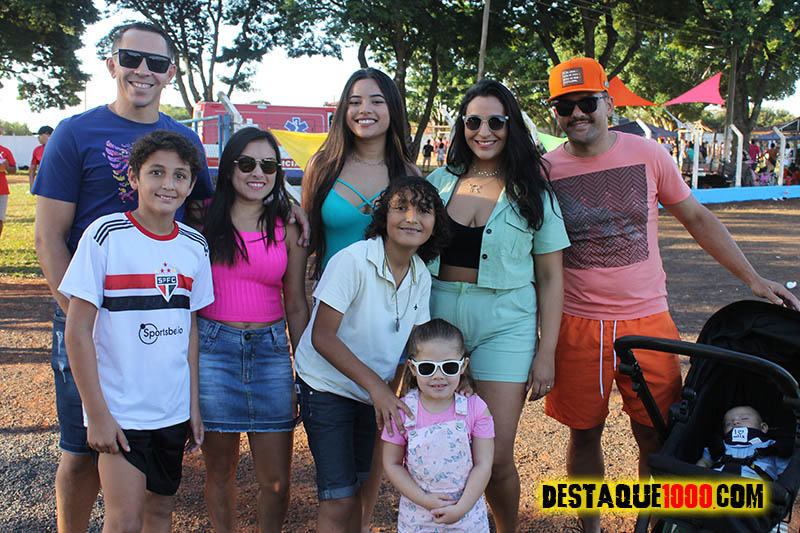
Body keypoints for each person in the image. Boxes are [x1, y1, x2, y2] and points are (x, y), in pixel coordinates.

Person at [542, 56, 799, 533]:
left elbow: (696, 217)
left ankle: (653, 526)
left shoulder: (649, 154)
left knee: (658, 438)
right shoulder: (544, 170)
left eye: (586, 102)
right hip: (577, 323)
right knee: (583, 435)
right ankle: (590, 529)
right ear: (554, 112)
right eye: (564, 106)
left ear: (608, 103)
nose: (576, 114)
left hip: (647, 321)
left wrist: (753, 278)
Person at [31, 22, 216, 532]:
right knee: (81, 450)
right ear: (112, 64)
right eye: (132, 58)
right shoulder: (75, 133)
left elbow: (206, 217)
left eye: (157, 63)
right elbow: (49, 237)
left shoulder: (184, 140)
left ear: (171, 73)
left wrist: (285, 213)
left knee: (152, 489)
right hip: (89, 311)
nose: (143, 71)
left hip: (154, 313)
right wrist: (91, 323)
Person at [426, 79, 569, 533]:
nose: (483, 131)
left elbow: (551, 277)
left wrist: (547, 351)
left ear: (512, 126)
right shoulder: (437, 183)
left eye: (495, 121)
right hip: (439, 324)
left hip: (507, 325)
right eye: (473, 121)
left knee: (496, 453)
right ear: (461, 126)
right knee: (443, 446)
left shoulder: (535, 192)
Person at [60, 130, 212, 531]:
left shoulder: (195, 245)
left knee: (159, 512)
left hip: (172, 409)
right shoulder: (105, 235)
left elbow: (190, 329)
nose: (168, 184)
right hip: (120, 410)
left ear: (191, 185)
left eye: (180, 175)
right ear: (133, 177)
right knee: (125, 520)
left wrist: (193, 407)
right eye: (156, 172)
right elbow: (77, 331)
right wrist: (97, 414)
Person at [300, 66, 420, 530]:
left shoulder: (408, 175)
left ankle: (364, 525)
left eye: (375, 100)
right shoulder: (323, 168)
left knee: (374, 452)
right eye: (354, 101)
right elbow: (303, 252)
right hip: (331, 331)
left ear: (393, 109)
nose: (364, 110)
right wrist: (299, 337)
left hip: (384, 337)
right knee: (336, 480)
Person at [294, 176, 449, 533]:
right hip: (325, 385)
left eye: (423, 211)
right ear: (383, 216)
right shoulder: (353, 261)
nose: (411, 218)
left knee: (361, 489)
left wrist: (448, 380)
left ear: (435, 223)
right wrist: (379, 390)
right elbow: (322, 337)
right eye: (401, 207)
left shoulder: (420, 276)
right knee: (338, 498)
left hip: (370, 394)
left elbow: (415, 346)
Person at [195, 127, 310, 532]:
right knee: (220, 471)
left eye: (268, 165)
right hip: (213, 351)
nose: (257, 173)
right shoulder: (201, 217)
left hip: (271, 353)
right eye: (246, 163)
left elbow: (296, 302)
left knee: (277, 483)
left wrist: (305, 371)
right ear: (229, 169)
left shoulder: (288, 225)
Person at [382, 319, 494, 531]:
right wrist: (424, 500)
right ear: (413, 368)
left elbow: (484, 464)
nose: (438, 376)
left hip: (467, 517)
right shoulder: (402, 412)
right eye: (427, 368)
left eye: (449, 367)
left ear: (463, 366)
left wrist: (462, 508)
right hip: (417, 518)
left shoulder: (476, 409)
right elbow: (392, 463)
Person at [696, 406, 789, 481]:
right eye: (729, 424)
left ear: (763, 428)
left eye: (744, 419)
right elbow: (705, 462)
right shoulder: (719, 445)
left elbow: (786, 472)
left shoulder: (771, 446)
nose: (735, 422)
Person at [0, 136, 16, 238]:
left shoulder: (5, 151)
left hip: (2, 189)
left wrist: (7, 167)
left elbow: (13, 169)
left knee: (0, 219)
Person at [29, 126, 53, 191]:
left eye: (40, 135)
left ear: (48, 135)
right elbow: (32, 169)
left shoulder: (59, 148)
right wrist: (32, 185)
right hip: (42, 183)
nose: (38, 137)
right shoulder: (37, 150)